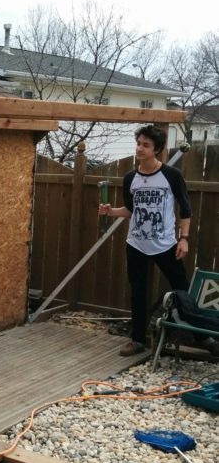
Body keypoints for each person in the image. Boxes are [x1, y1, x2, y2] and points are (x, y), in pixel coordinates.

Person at [98, 125, 191, 356]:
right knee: (137, 292)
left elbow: (186, 210)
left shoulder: (171, 175)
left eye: (145, 145)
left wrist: (184, 238)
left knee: (182, 290)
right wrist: (111, 212)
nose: (139, 148)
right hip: (136, 244)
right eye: (138, 143)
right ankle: (138, 340)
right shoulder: (130, 178)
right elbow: (130, 210)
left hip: (166, 244)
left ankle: (202, 336)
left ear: (157, 149)